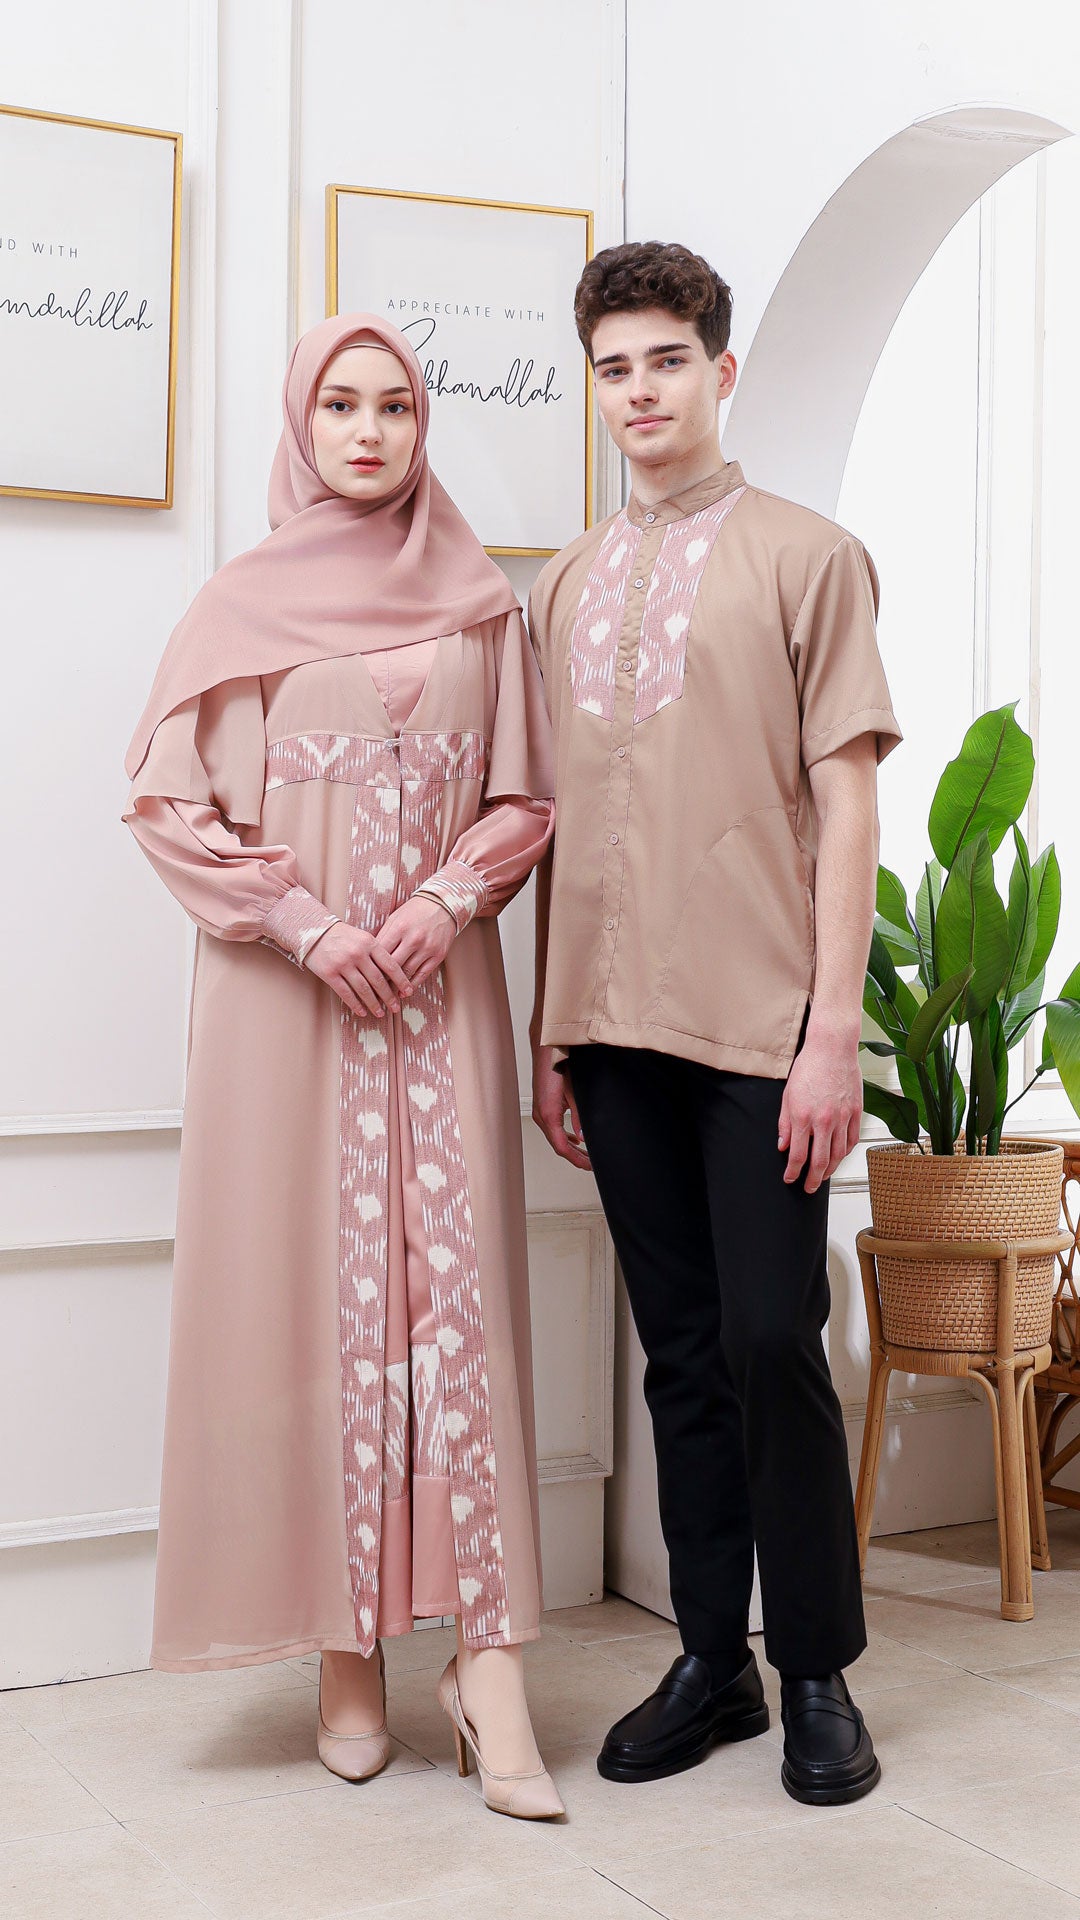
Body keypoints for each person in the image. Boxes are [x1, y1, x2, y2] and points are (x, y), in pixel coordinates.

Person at [124, 312, 564, 1821]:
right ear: (300, 423)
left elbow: (525, 798)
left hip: (440, 1001)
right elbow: (170, 808)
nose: (367, 432)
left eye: (393, 407)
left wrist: (444, 901)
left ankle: (487, 1664)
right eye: (340, 405)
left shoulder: (483, 604)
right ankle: (346, 1645)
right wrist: (307, 927)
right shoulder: (236, 609)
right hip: (290, 1011)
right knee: (317, 1307)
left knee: (456, 1308)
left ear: (422, 427)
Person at [529, 242, 901, 1807]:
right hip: (610, 1029)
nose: (639, 391)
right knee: (678, 1351)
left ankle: (814, 1666)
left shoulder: (812, 558)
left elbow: (848, 799)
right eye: (613, 368)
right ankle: (711, 1662)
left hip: (763, 1028)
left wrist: (833, 1035)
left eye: (666, 360)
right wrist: (553, 1029)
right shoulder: (561, 584)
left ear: (720, 370)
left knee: (769, 1340)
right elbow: (556, 813)